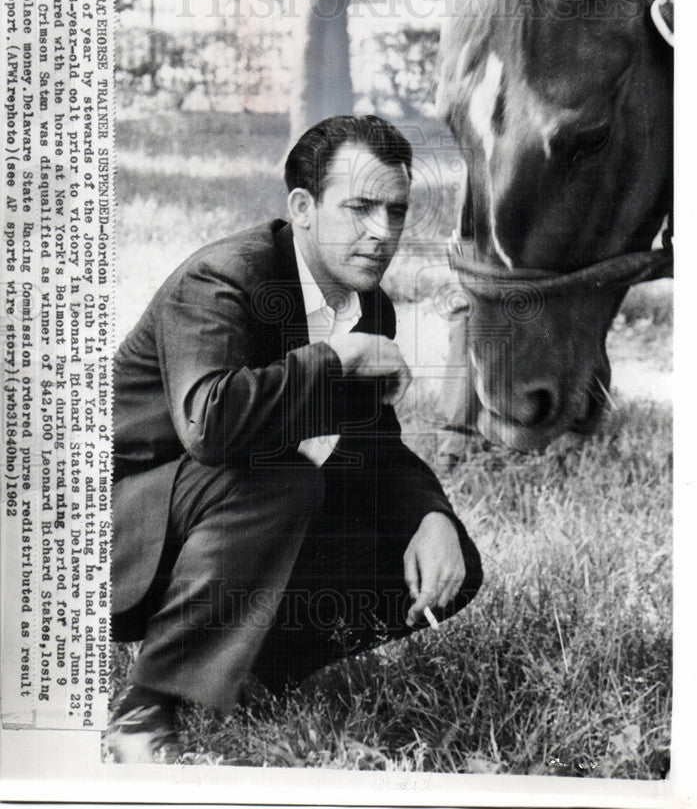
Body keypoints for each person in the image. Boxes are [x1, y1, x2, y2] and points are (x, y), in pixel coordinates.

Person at [107, 114, 482, 762]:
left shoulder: (369, 304)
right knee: (283, 478)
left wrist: (430, 515)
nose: (382, 232)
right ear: (303, 208)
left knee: (448, 559)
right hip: (120, 536)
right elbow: (209, 423)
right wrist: (335, 360)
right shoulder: (223, 280)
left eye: (395, 211)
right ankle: (142, 713)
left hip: (225, 531)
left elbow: (370, 445)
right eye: (359, 208)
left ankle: (248, 671)